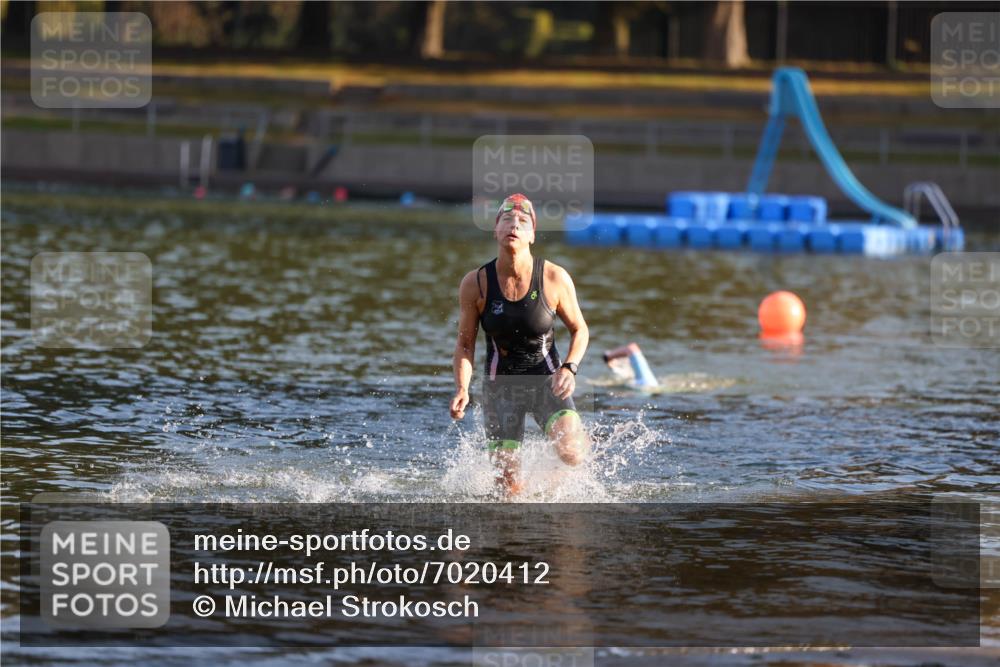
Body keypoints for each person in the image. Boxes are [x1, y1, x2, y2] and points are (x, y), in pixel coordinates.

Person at [450, 193, 590, 496]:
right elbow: (464, 346)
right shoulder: (475, 283)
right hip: (500, 388)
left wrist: (570, 367)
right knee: (508, 492)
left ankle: (576, 440)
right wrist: (462, 388)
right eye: (507, 220)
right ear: (496, 229)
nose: (514, 225)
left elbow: (580, 329)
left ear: (532, 235)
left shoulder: (554, 277)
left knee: (572, 454)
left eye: (523, 222)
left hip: (546, 382)